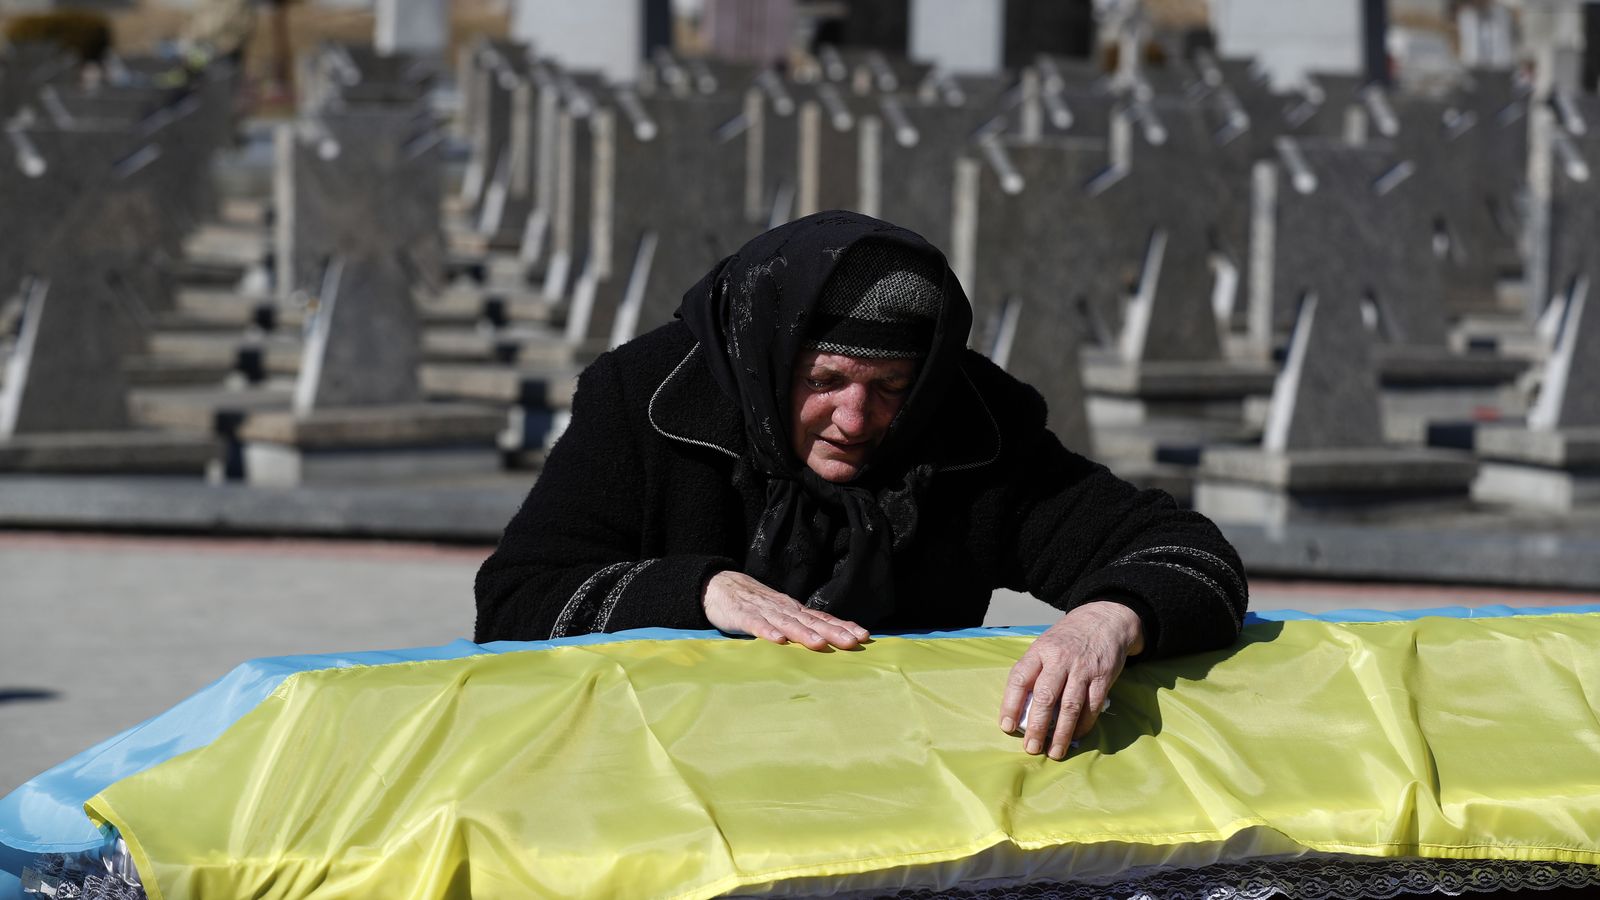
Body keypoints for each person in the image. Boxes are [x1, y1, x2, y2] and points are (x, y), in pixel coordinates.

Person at [476, 211, 1248, 761]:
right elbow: (514, 603)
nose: (857, 417)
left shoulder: (967, 426)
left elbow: (1191, 554)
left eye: (891, 385)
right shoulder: (646, 399)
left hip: (890, 785)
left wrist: (1108, 620)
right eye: (825, 379)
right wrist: (697, 590)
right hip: (656, 776)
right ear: (767, 364)